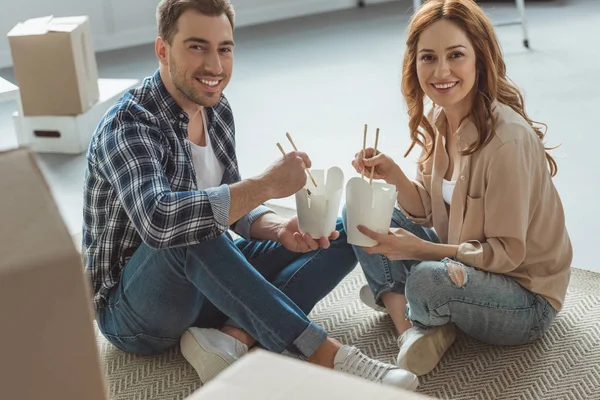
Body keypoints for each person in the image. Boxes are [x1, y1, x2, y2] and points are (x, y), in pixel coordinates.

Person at [82, 0, 419, 391]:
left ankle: (232, 335)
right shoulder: (129, 124)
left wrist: (278, 228)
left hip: (206, 279)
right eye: (197, 47)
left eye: (224, 48)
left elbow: (235, 209)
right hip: (134, 312)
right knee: (190, 231)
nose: (215, 66)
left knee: (340, 231)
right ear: (162, 49)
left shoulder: (216, 109)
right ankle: (327, 355)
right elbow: (160, 222)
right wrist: (266, 185)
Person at [343, 0, 572, 377]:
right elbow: (433, 212)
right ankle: (411, 331)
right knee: (360, 208)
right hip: (466, 262)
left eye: (456, 55)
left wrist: (419, 249)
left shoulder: (506, 143)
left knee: (426, 281)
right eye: (428, 57)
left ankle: (408, 303)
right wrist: (395, 176)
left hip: (524, 296)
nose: (442, 71)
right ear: (413, 65)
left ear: (479, 59)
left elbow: (507, 254)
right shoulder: (440, 118)